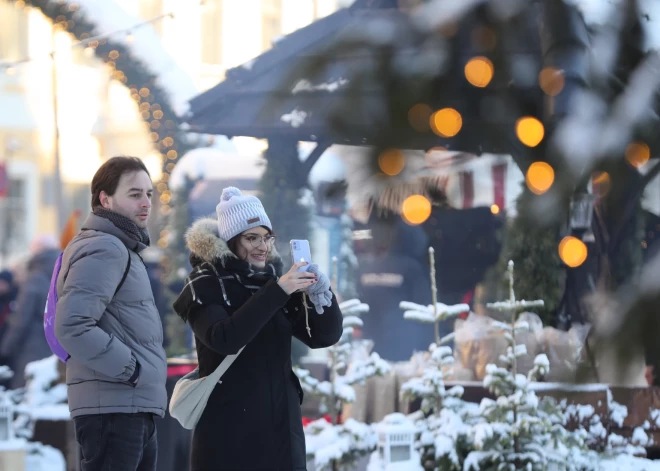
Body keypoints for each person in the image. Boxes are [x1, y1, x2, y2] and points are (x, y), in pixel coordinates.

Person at [173, 187, 343, 471]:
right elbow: (224, 338)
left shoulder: (272, 281)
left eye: (266, 237)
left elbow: (324, 337)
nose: (262, 246)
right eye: (251, 238)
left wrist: (320, 297)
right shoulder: (205, 284)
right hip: (228, 436)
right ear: (231, 241)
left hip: (280, 432)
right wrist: (278, 290)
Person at [55, 156, 167, 471]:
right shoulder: (106, 248)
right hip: (114, 410)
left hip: (129, 407)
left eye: (149, 193)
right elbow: (73, 325)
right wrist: (131, 369)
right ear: (105, 198)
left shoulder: (121, 248)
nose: (145, 202)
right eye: (134, 194)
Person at [0, 236, 60, 388]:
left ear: (36, 251)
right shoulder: (63, 271)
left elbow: (21, 319)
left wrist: (5, 350)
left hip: (31, 348)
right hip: (55, 345)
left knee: (25, 393)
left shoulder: (34, 278)